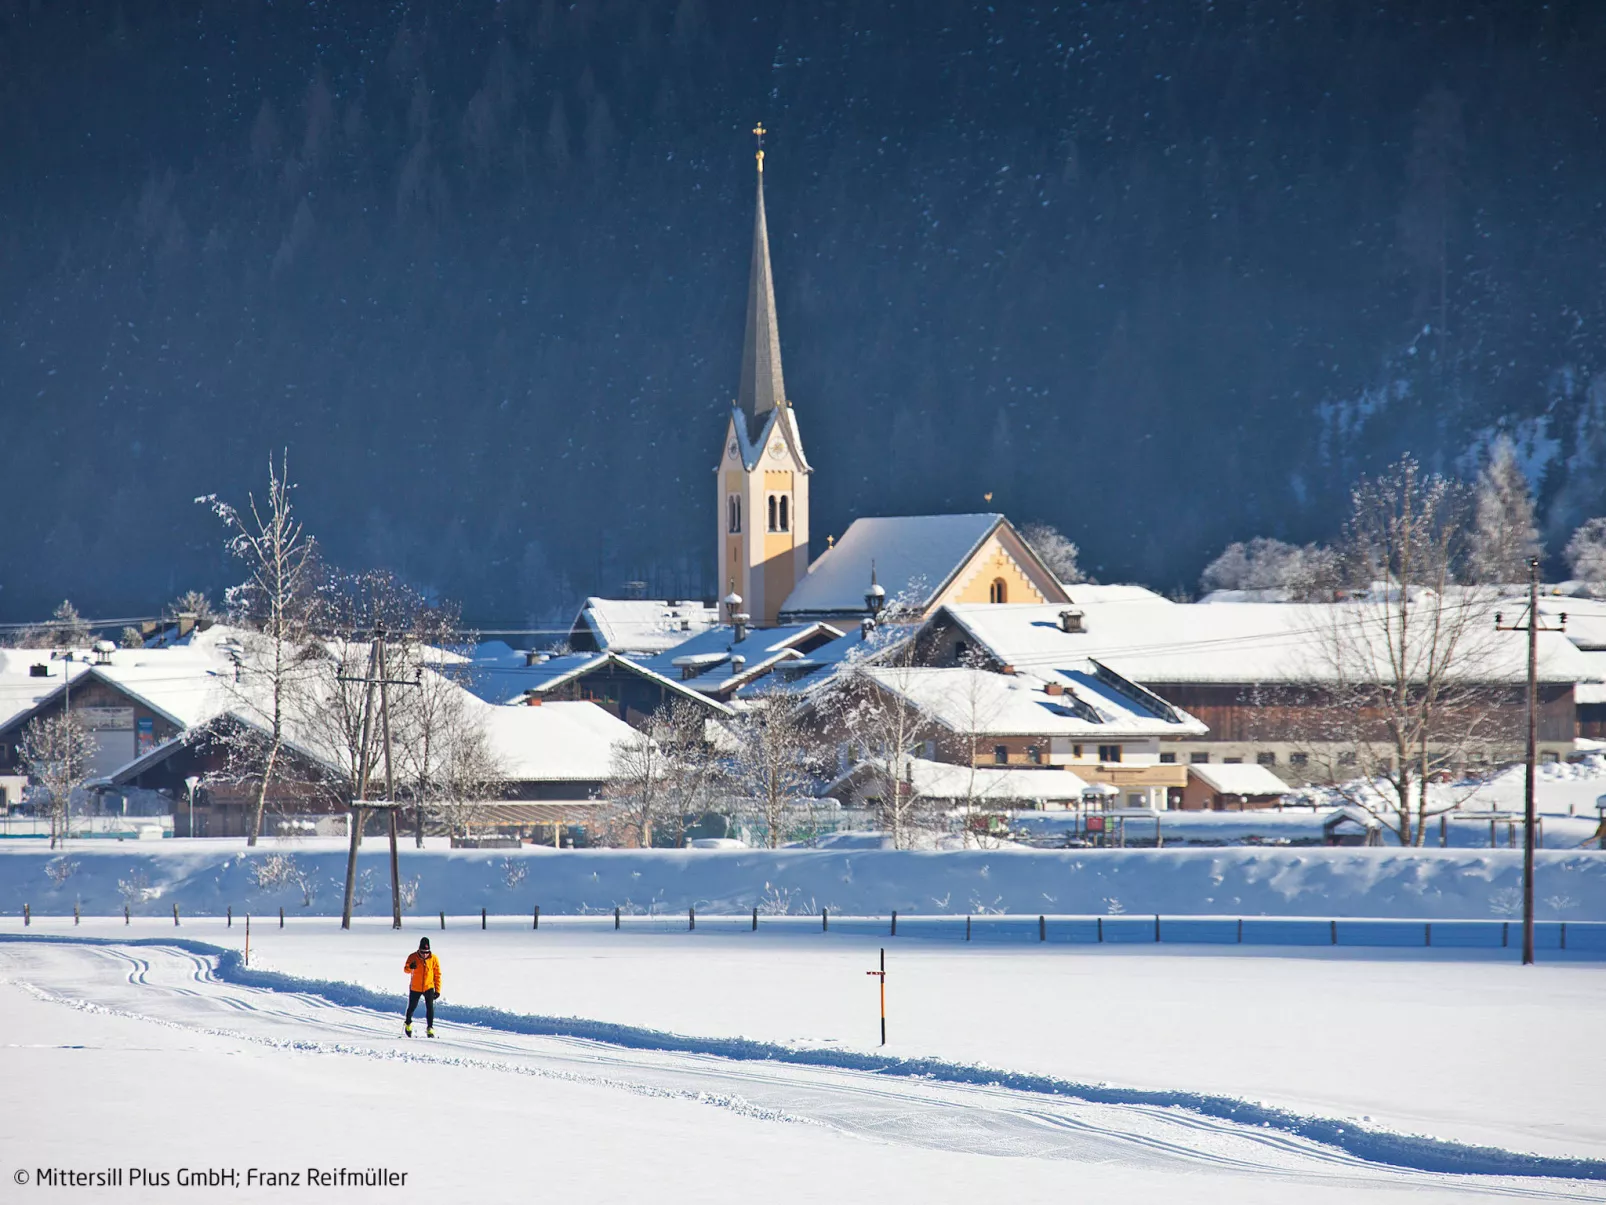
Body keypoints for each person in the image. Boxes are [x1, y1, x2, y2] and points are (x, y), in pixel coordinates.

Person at [403, 937, 442, 1038]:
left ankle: (430, 1028)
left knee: (430, 1007)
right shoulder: (412, 957)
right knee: (412, 1007)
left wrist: (437, 990)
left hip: (428, 986)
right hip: (415, 987)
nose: (425, 954)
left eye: (427, 952)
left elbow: (437, 974)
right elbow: (406, 970)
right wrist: (410, 967)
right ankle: (408, 1023)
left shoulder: (434, 959)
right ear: (419, 950)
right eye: (423, 952)